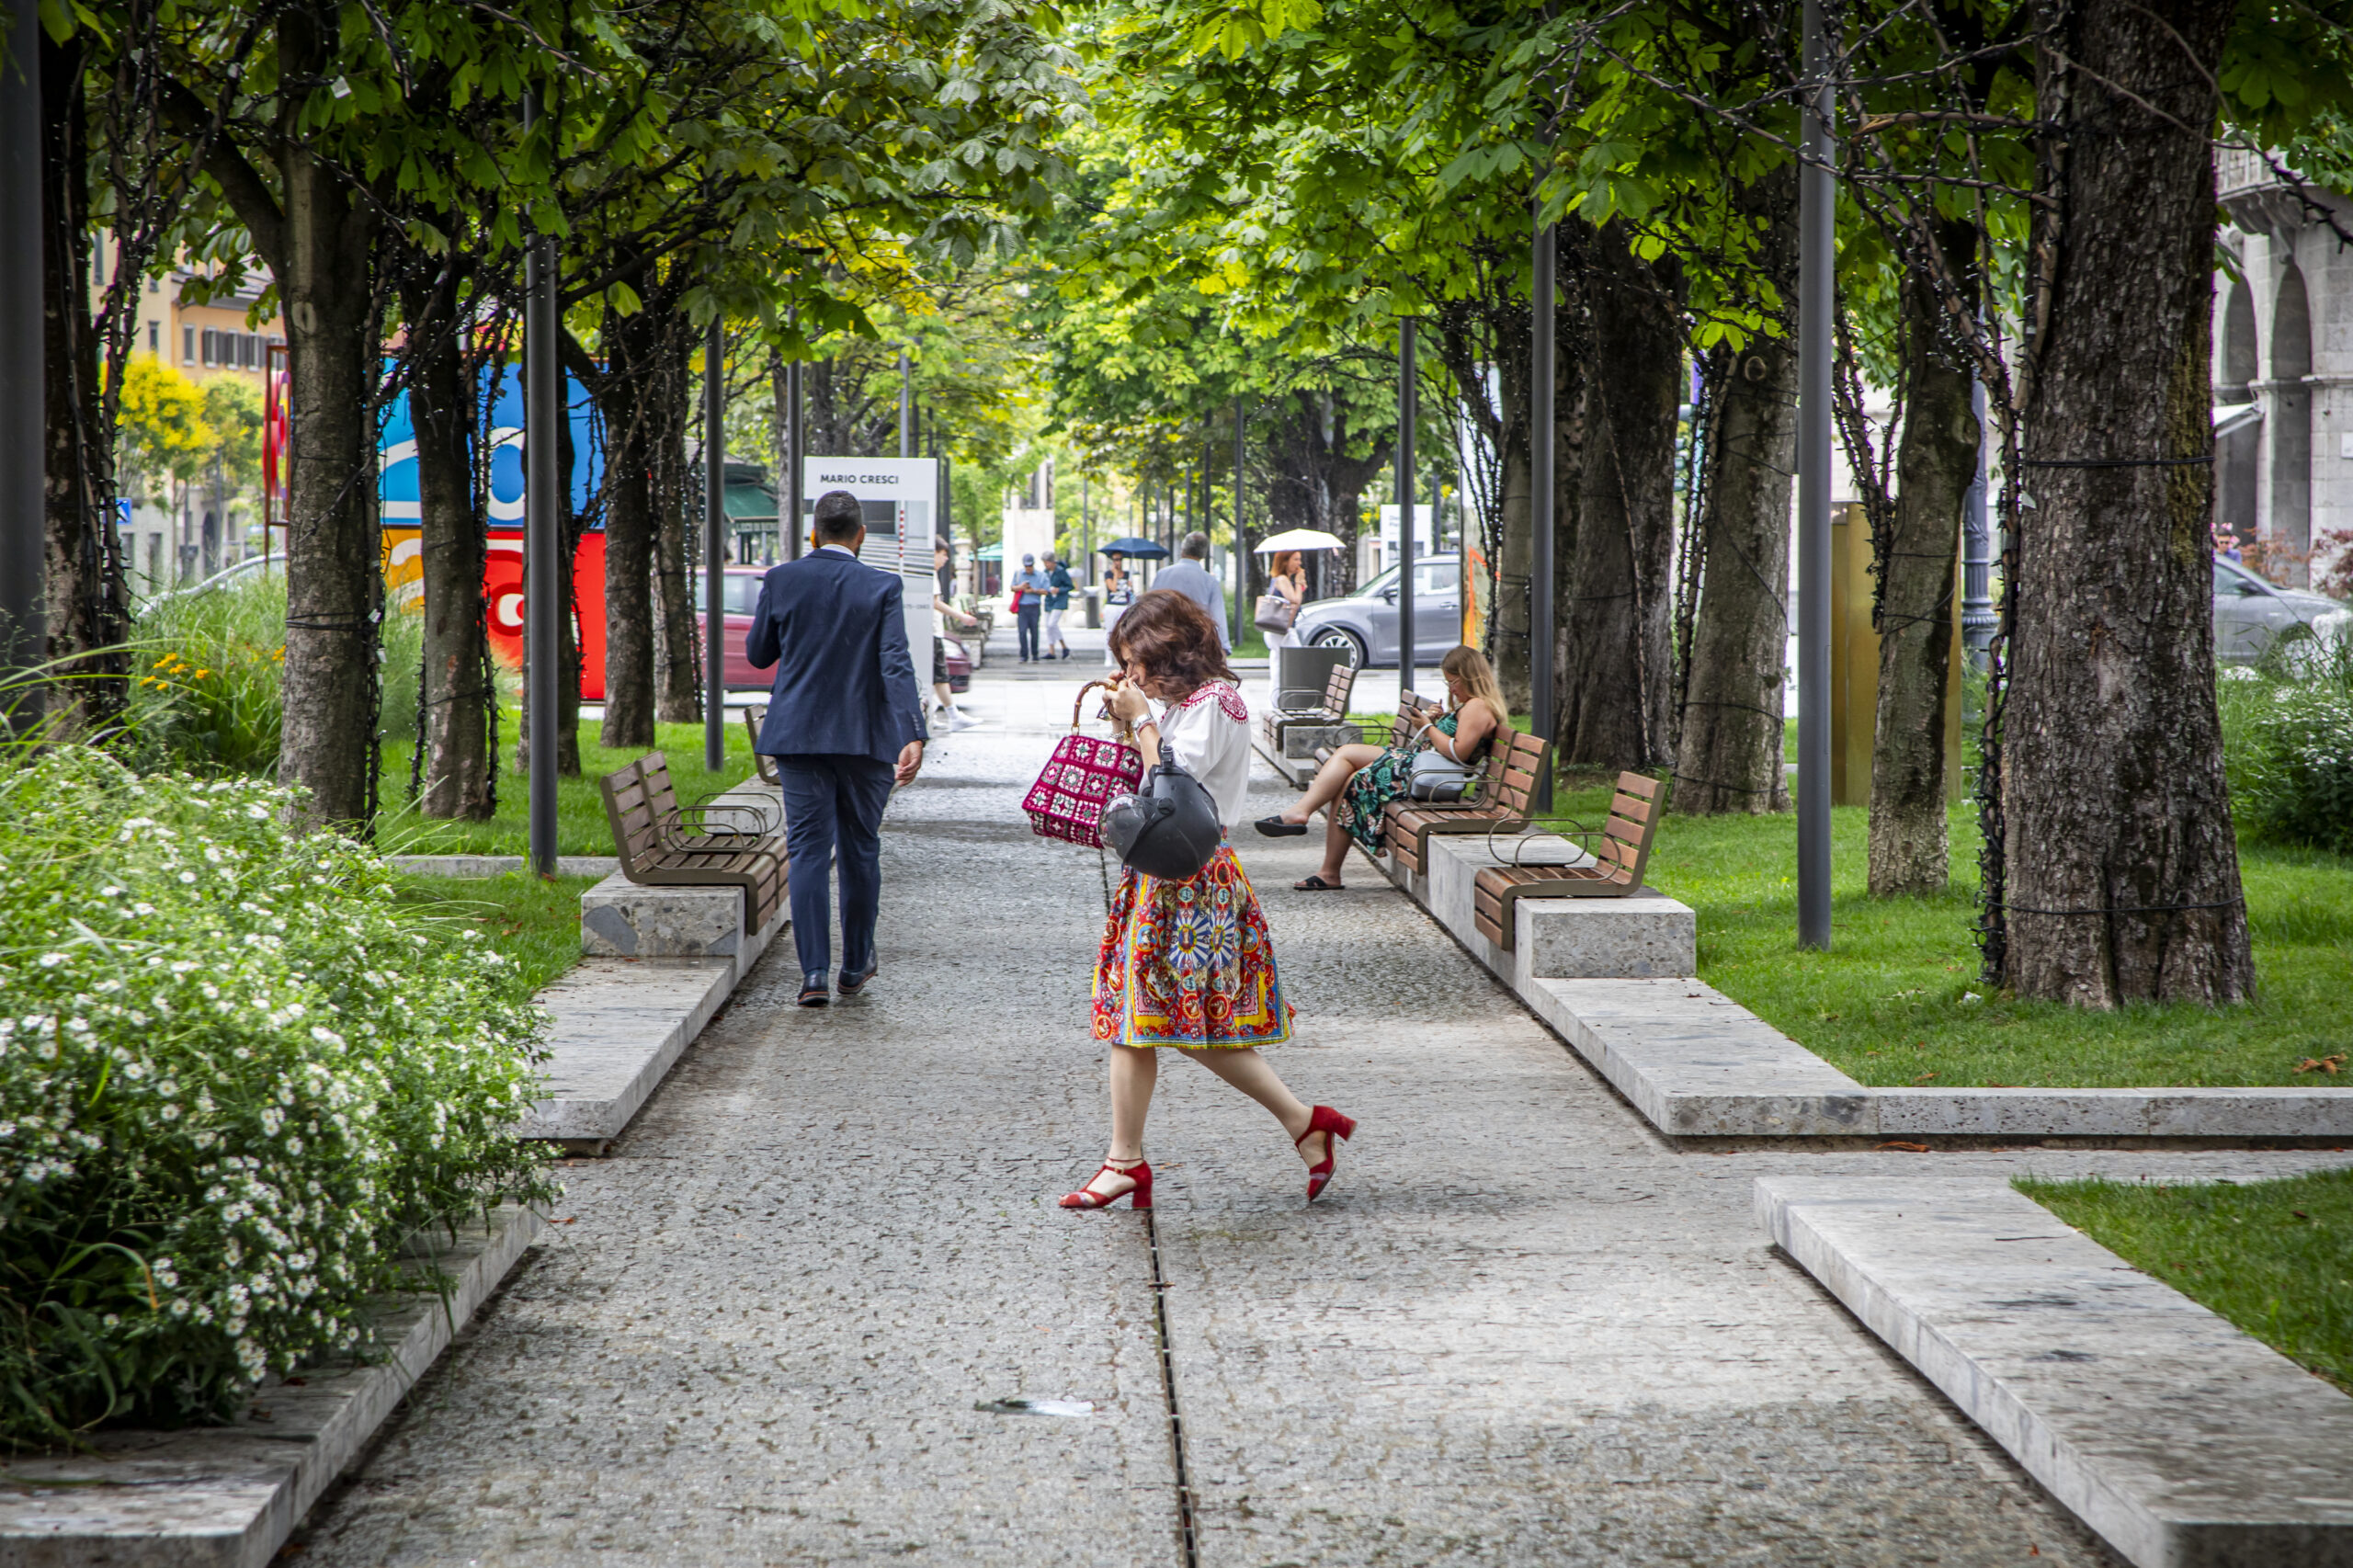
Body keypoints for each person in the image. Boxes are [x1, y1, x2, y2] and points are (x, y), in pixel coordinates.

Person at [1063, 588, 1356, 1210]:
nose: (1130, 673)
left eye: (1135, 660)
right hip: (1160, 875)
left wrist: (1143, 720)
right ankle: (1132, 1159)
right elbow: (1145, 780)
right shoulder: (1183, 705)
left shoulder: (1217, 702)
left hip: (1193, 880)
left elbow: (1176, 789)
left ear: (1167, 651)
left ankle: (1298, 1123)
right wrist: (1128, 722)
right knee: (1142, 1019)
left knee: (1172, 1021)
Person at [746, 490, 929, 1007]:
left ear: (814, 533)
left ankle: (813, 975)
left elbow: (758, 654)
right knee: (860, 847)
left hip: (799, 737)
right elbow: (895, 661)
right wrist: (911, 732)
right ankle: (854, 965)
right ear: (861, 535)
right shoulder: (882, 585)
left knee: (807, 849)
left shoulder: (782, 579)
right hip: (865, 738)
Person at [1252, 643, 1506, 892]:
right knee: (1347, 767)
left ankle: (1307, 827)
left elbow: (1459, 752)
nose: (1451, 689)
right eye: (1447, 682)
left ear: (1470, 677)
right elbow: (1452, 743)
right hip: (1421, 767)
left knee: (1349, 766)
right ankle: (1323, 861)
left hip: (1429, 777)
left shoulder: (1478, 706)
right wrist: (1433, 720)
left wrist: (1428, 727)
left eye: (1453, 682)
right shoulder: (1471, 705)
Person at [931, 539, 982, 733]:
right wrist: (961, 616)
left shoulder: (930, 573)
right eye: (943, 554)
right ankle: (953, 715)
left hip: (933, 630)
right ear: (934, 553)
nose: (945, 559)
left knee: (933, 676)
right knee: (939, 675)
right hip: (932, 631)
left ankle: (930, 714)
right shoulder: (930, 573)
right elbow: (935, 602)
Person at [1153, 531, 1230, 652]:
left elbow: (1150, 609)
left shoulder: (1162, 575)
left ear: (1182, 550)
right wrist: (1223, 647)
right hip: (1196, 645)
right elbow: (1218, 617)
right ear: (1203, 554)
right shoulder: (1209, 581)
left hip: (1165, 642)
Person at [1261, 550, 1308, 654]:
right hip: (1281, 628)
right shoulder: (1282, 579)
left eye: (1299, 559)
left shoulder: (1282, 579)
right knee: (1295, 657)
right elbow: (1296, 601)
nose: (1299, 563)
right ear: (1285, 561)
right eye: (1296, 559)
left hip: (1280, 628)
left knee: (1279, 659)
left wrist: (1300, 584)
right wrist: (1298, 582)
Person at [1010, 553, 1051, 662]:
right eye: (1026, 566)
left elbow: (1046, 591)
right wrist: (1021, 587)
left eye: (1030, 566)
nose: (1028, 568)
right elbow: (1012, 587)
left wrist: (1034, 590)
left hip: (1034, 606)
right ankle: (1023, 655)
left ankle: (1035, 654)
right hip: (1022, 607)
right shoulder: (1018, 574)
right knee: (1022, 631)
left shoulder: (1041, 575)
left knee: (1034, 631)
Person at [1101, 558, 1135, 669]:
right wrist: (1115, 575)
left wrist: (1130, 586)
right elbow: (1113, 588)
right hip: (1112, 606)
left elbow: (1129, 592)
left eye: (1120, 559)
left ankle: (1124, 657)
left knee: (1125, 631)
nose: (1118, 562)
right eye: (1116, 559)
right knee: (1110, 631)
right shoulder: (1108, 574)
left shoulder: (1127, 574)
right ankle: (1108, 657)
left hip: (1124, 605)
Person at [1042, 553, 1075, 660]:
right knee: (1048, 626)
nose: (1046, 565)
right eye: (1044, 563)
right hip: (1049, 600)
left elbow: (1070, 586)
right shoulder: (1045, 572)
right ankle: (1051, 650)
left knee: (1052, 624)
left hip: (1059, 600)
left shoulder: (1061, 571)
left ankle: (1063, 646)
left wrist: (1059, 590)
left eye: (1047, 562)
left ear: (1053, 562)